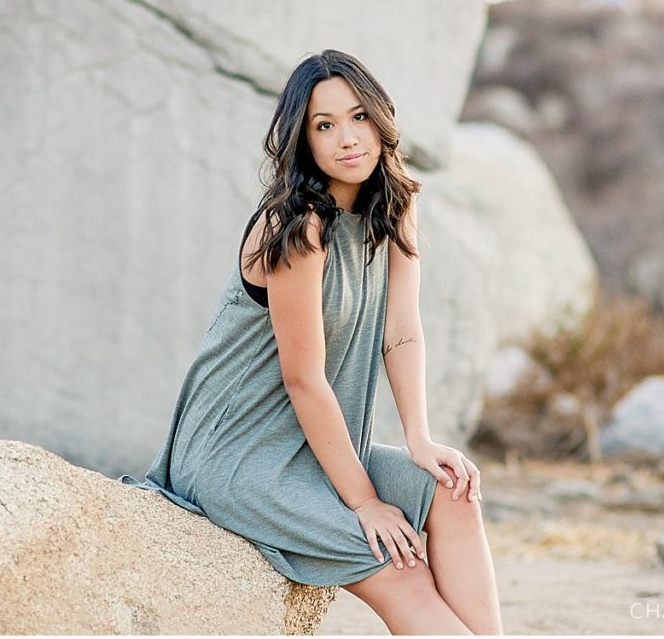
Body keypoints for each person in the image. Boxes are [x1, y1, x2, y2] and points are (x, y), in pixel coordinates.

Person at [118, 49, 504, 635]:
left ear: (380, 119)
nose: (347, 139)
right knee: (398, 566)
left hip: (316, 444)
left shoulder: (396, 206)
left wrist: (421, 440)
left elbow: (401, 331)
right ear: (304, 140)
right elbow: (304, 379)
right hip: (239, 453)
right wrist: (365, 503)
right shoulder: (297, 228)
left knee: (452, 491)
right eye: (324, 126)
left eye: (358, 117)